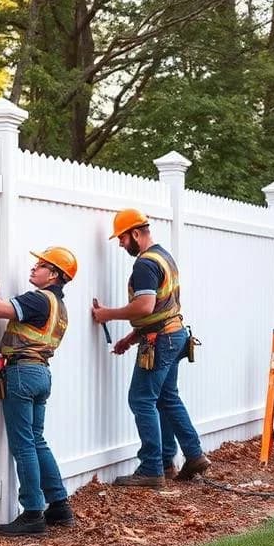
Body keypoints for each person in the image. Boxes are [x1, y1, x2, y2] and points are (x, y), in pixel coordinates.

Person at [91, 208, 210, 488]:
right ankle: (189, 456)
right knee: (167, 398)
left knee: (141, 399)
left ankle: (151, 469)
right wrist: (131, 339)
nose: (120, 244)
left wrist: (107, 314)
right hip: (175, 334)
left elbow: (145, 306)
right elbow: (160, 309)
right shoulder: (164, 256)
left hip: (162, 340)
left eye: (121, 238)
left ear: (135, 233)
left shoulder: (144, 264)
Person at [0, 247, 77, 536]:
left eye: (41, 265)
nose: (33, 268)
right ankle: (59, 505)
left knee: (23, 443)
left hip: (22, 372)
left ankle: (33, 513)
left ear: (55, 275)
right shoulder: (60, 308)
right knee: (37, 440)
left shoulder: (39, 299)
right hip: (40, 373)